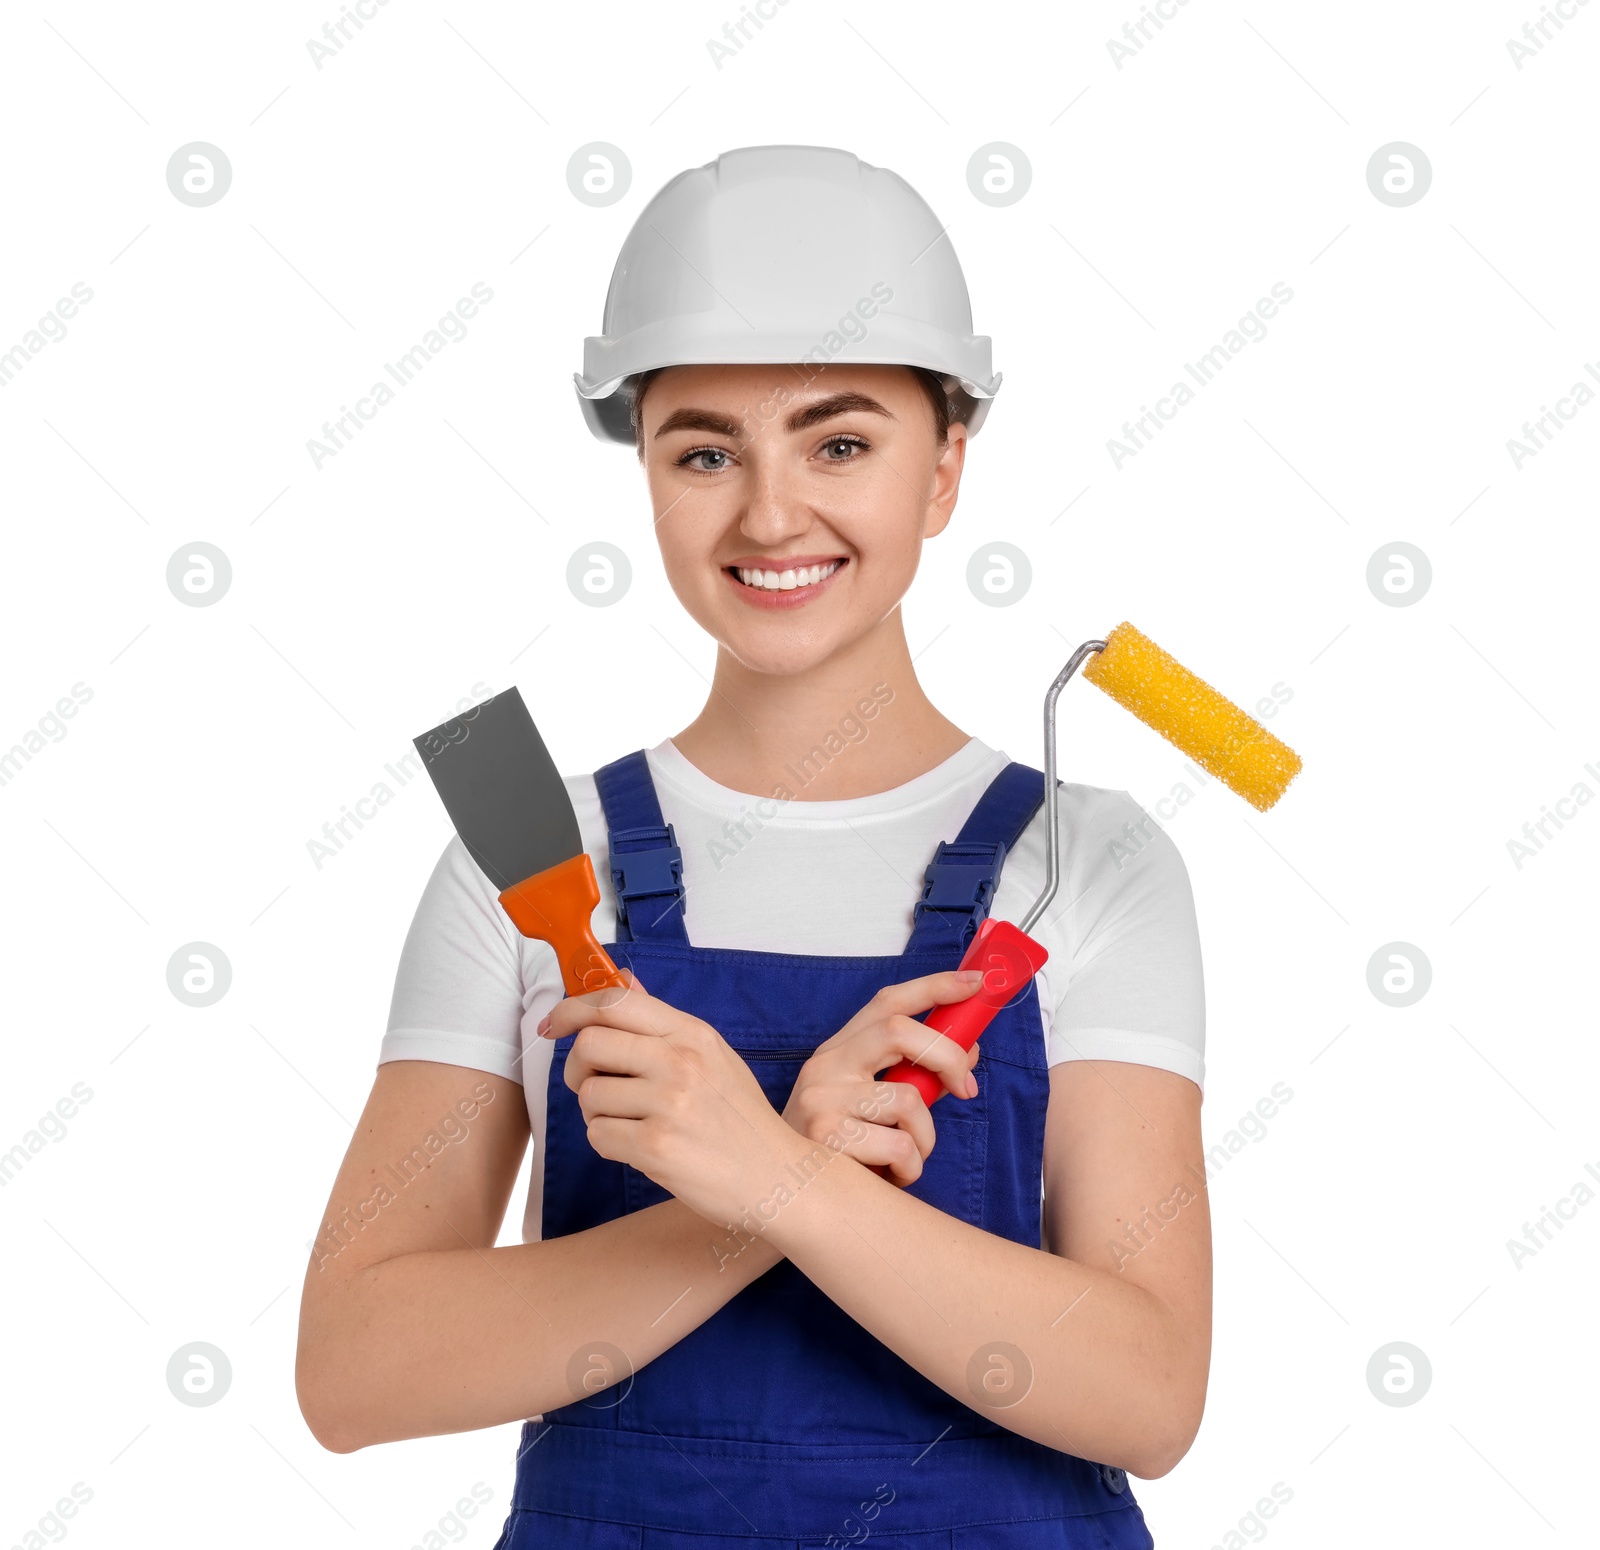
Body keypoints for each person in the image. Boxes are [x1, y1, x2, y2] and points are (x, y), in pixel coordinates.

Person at [296, 145, 1211, 1550]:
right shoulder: (536, 860)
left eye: (839, 441)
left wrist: (777, 1180)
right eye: (705, 449)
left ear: (948, 463)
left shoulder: (1086, 861)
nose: (771, 514)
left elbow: (1147, 1389)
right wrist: (756, 1183)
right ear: (646, 468)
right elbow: (354, 1367)